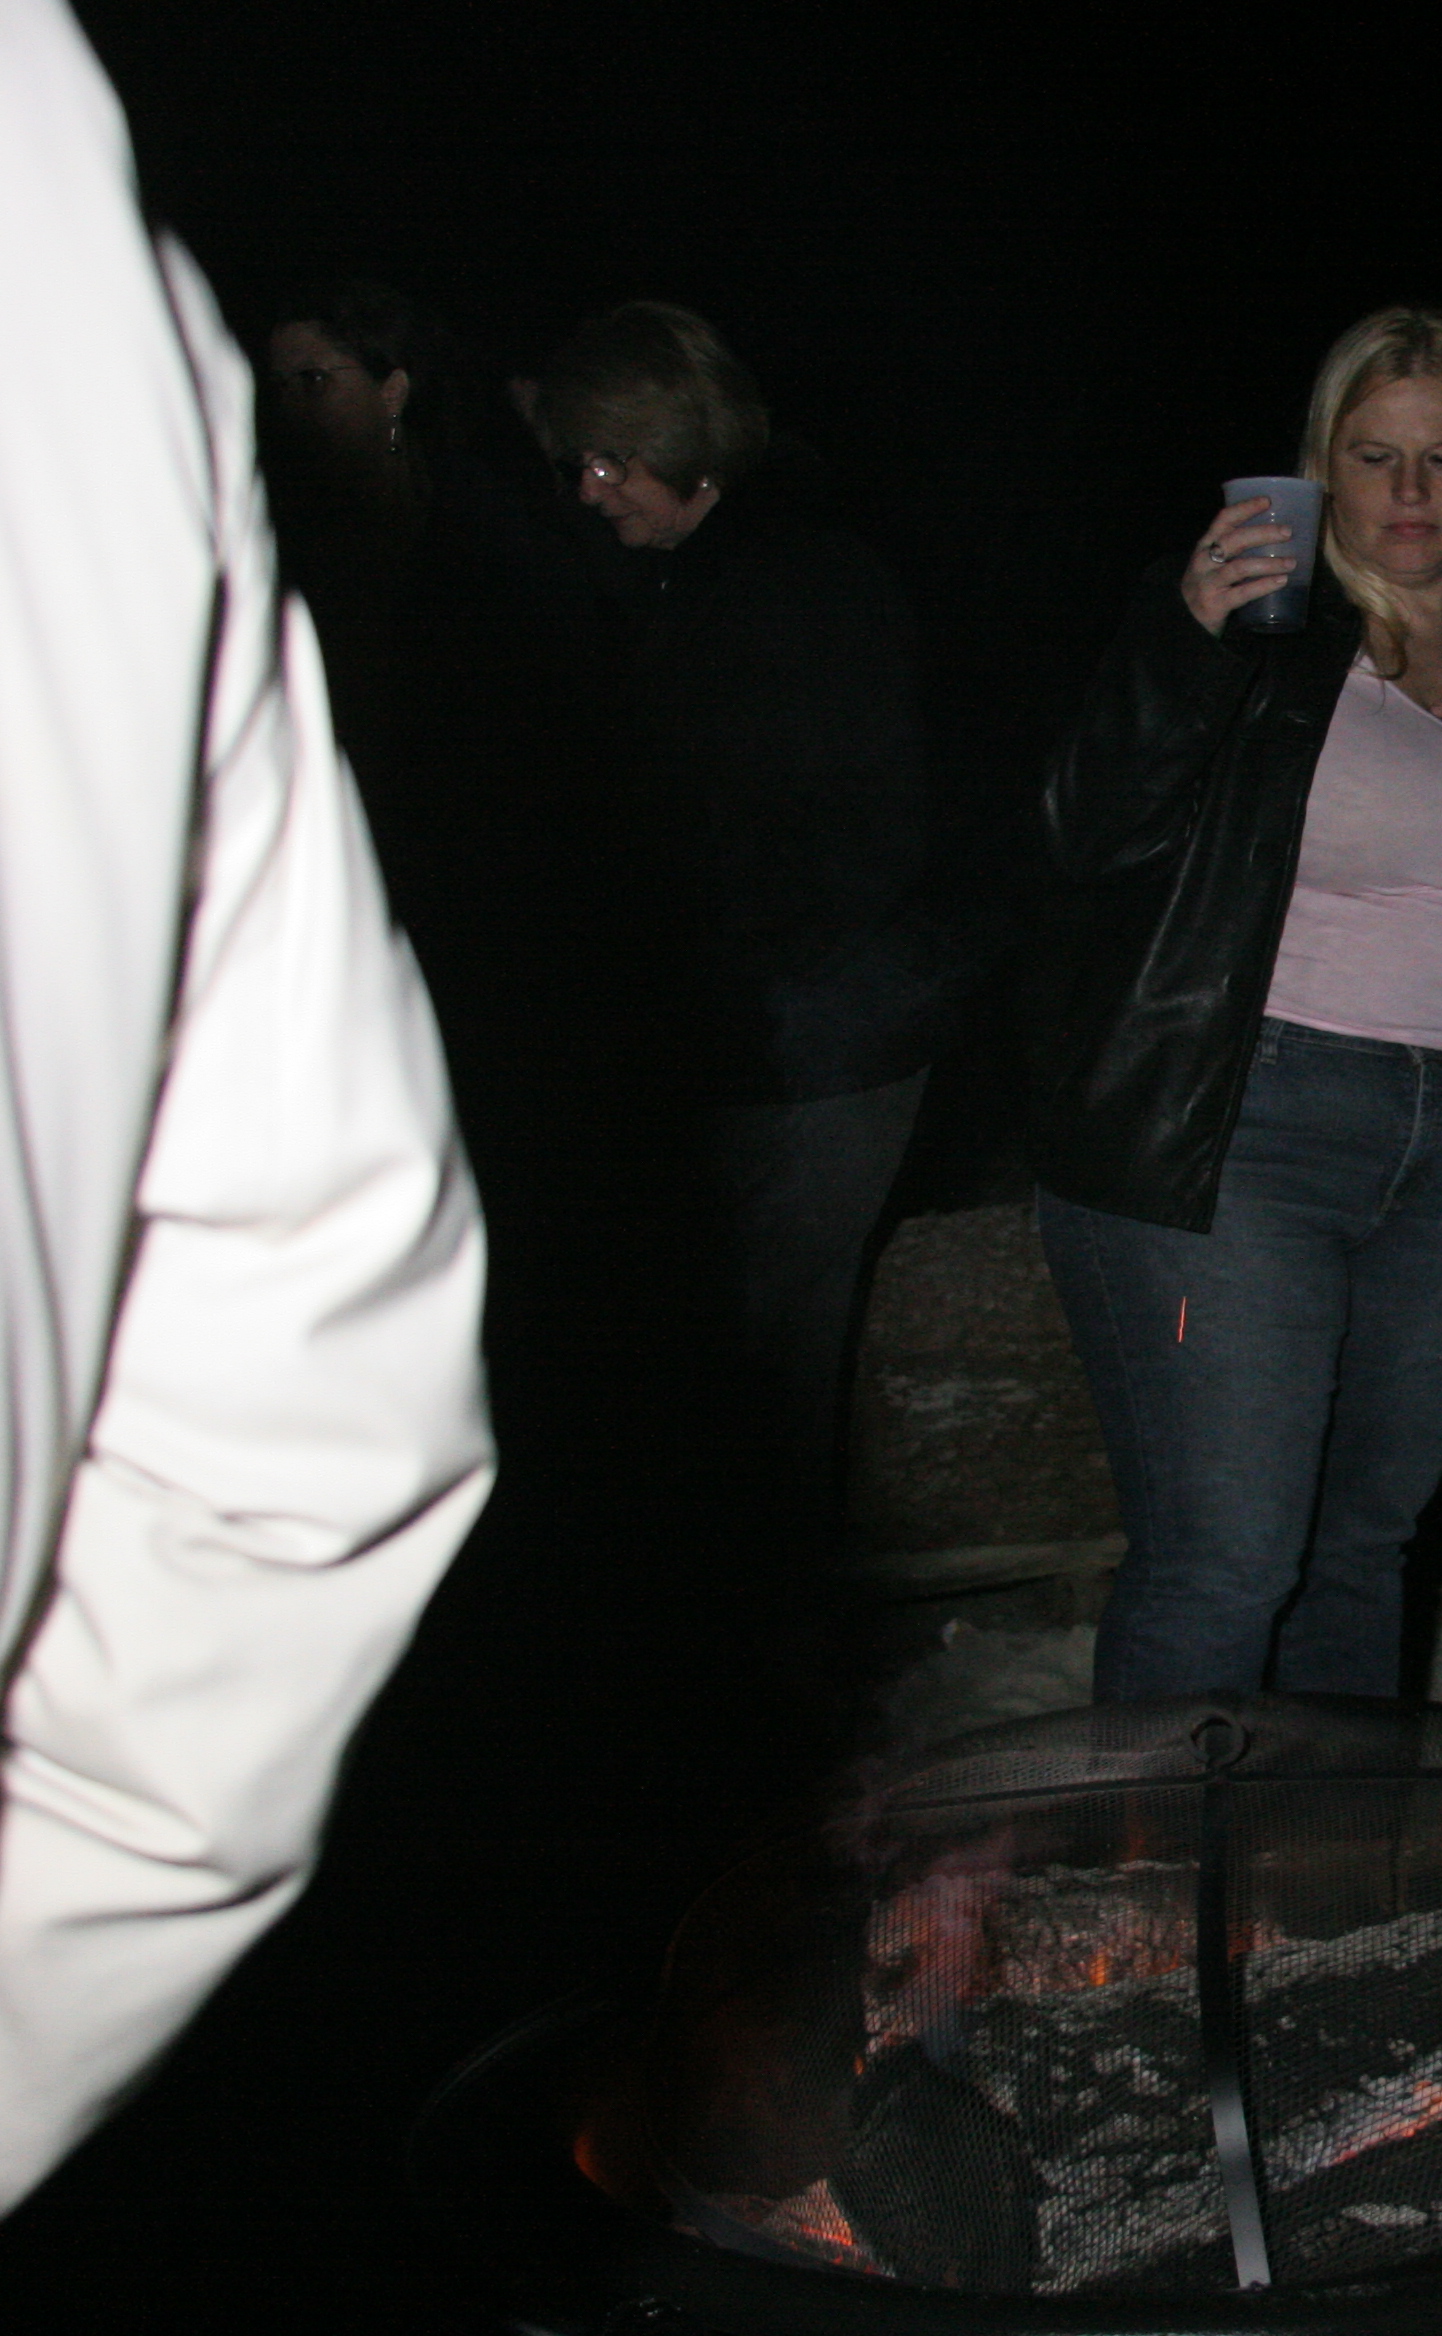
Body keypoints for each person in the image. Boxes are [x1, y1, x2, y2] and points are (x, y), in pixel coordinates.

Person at [0, 0, 492, 2208]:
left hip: (389, 1042)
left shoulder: (451, 563)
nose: (282, 402)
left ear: (389, 386)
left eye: (313, 377)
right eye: (266, 373)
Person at [1037, 307, 1442, 1704]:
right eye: (1374, 455)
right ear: (1320, 465)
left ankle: (1329, 1835)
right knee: (1225, 1561)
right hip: (1241, 1124)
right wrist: (1184, 639)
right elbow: (1086, 829)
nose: (1408, 492)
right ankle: (1158, 1844)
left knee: (1362, 1554)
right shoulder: (1262, 630)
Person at [533, 303, 974, 1568]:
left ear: (689, 450)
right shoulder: (685, 576)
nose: (590, 489)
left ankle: (762, 1635)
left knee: (763, 1378)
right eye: (578, 462)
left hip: (819, 1052)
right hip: (754, 1034)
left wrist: (692, 963)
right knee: (724, 1373)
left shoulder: (800, 586)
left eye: (614, 460)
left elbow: (855, 838)